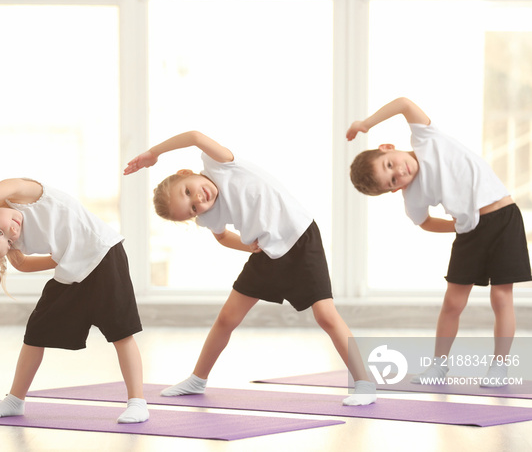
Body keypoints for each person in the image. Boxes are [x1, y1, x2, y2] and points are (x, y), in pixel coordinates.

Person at [124, 131, 376, 406]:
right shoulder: (209, 215)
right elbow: (221, 237)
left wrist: (154, 152)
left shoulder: (221, 164)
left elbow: (195, 136)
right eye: (193, 208)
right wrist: (250, 248)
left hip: (300, 238)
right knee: (227, 318)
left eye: (188, 191)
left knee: (326, 316)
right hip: (268, 250)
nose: (199, 200)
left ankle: (364, 382)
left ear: (186, 172)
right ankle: (197, 379)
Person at [0, 178, 149, 423]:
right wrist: (61, 256)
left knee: (121, 333)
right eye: (6, 242)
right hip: (72, 268)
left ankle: (138, 403)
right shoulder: (12, 235)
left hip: (104, 255)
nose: (11, 235)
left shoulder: (21, 193)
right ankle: (15, 400)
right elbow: (22, 264)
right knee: (36, 333)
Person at [347, 97, 532, 385]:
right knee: (452, 303)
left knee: (501, 297)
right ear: (393, 191)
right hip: (470, 232)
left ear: (387, 148)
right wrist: (455, 226)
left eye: (390, 164)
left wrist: (364, 124)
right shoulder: (412, 197)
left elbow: (403, 104)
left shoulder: (426, 138)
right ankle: (439, 365)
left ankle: (500, 367)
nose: (400, 173)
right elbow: (425, 223)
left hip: (503, 217)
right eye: (392, 181)